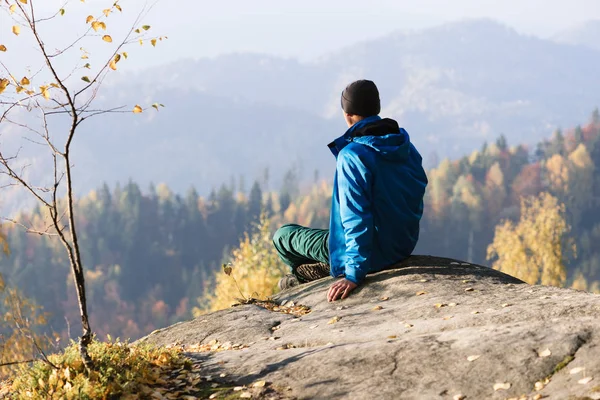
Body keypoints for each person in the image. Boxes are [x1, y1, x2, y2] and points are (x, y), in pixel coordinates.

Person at [273, 80, 428, 302]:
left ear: (347, 115)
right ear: (377, 108)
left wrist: (353, 274)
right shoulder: (406, 147)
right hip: (401, 245)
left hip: (370, 255)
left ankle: (304, 277)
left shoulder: (353, 155)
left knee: (284, 237)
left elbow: (357, 218)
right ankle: (314, 272)